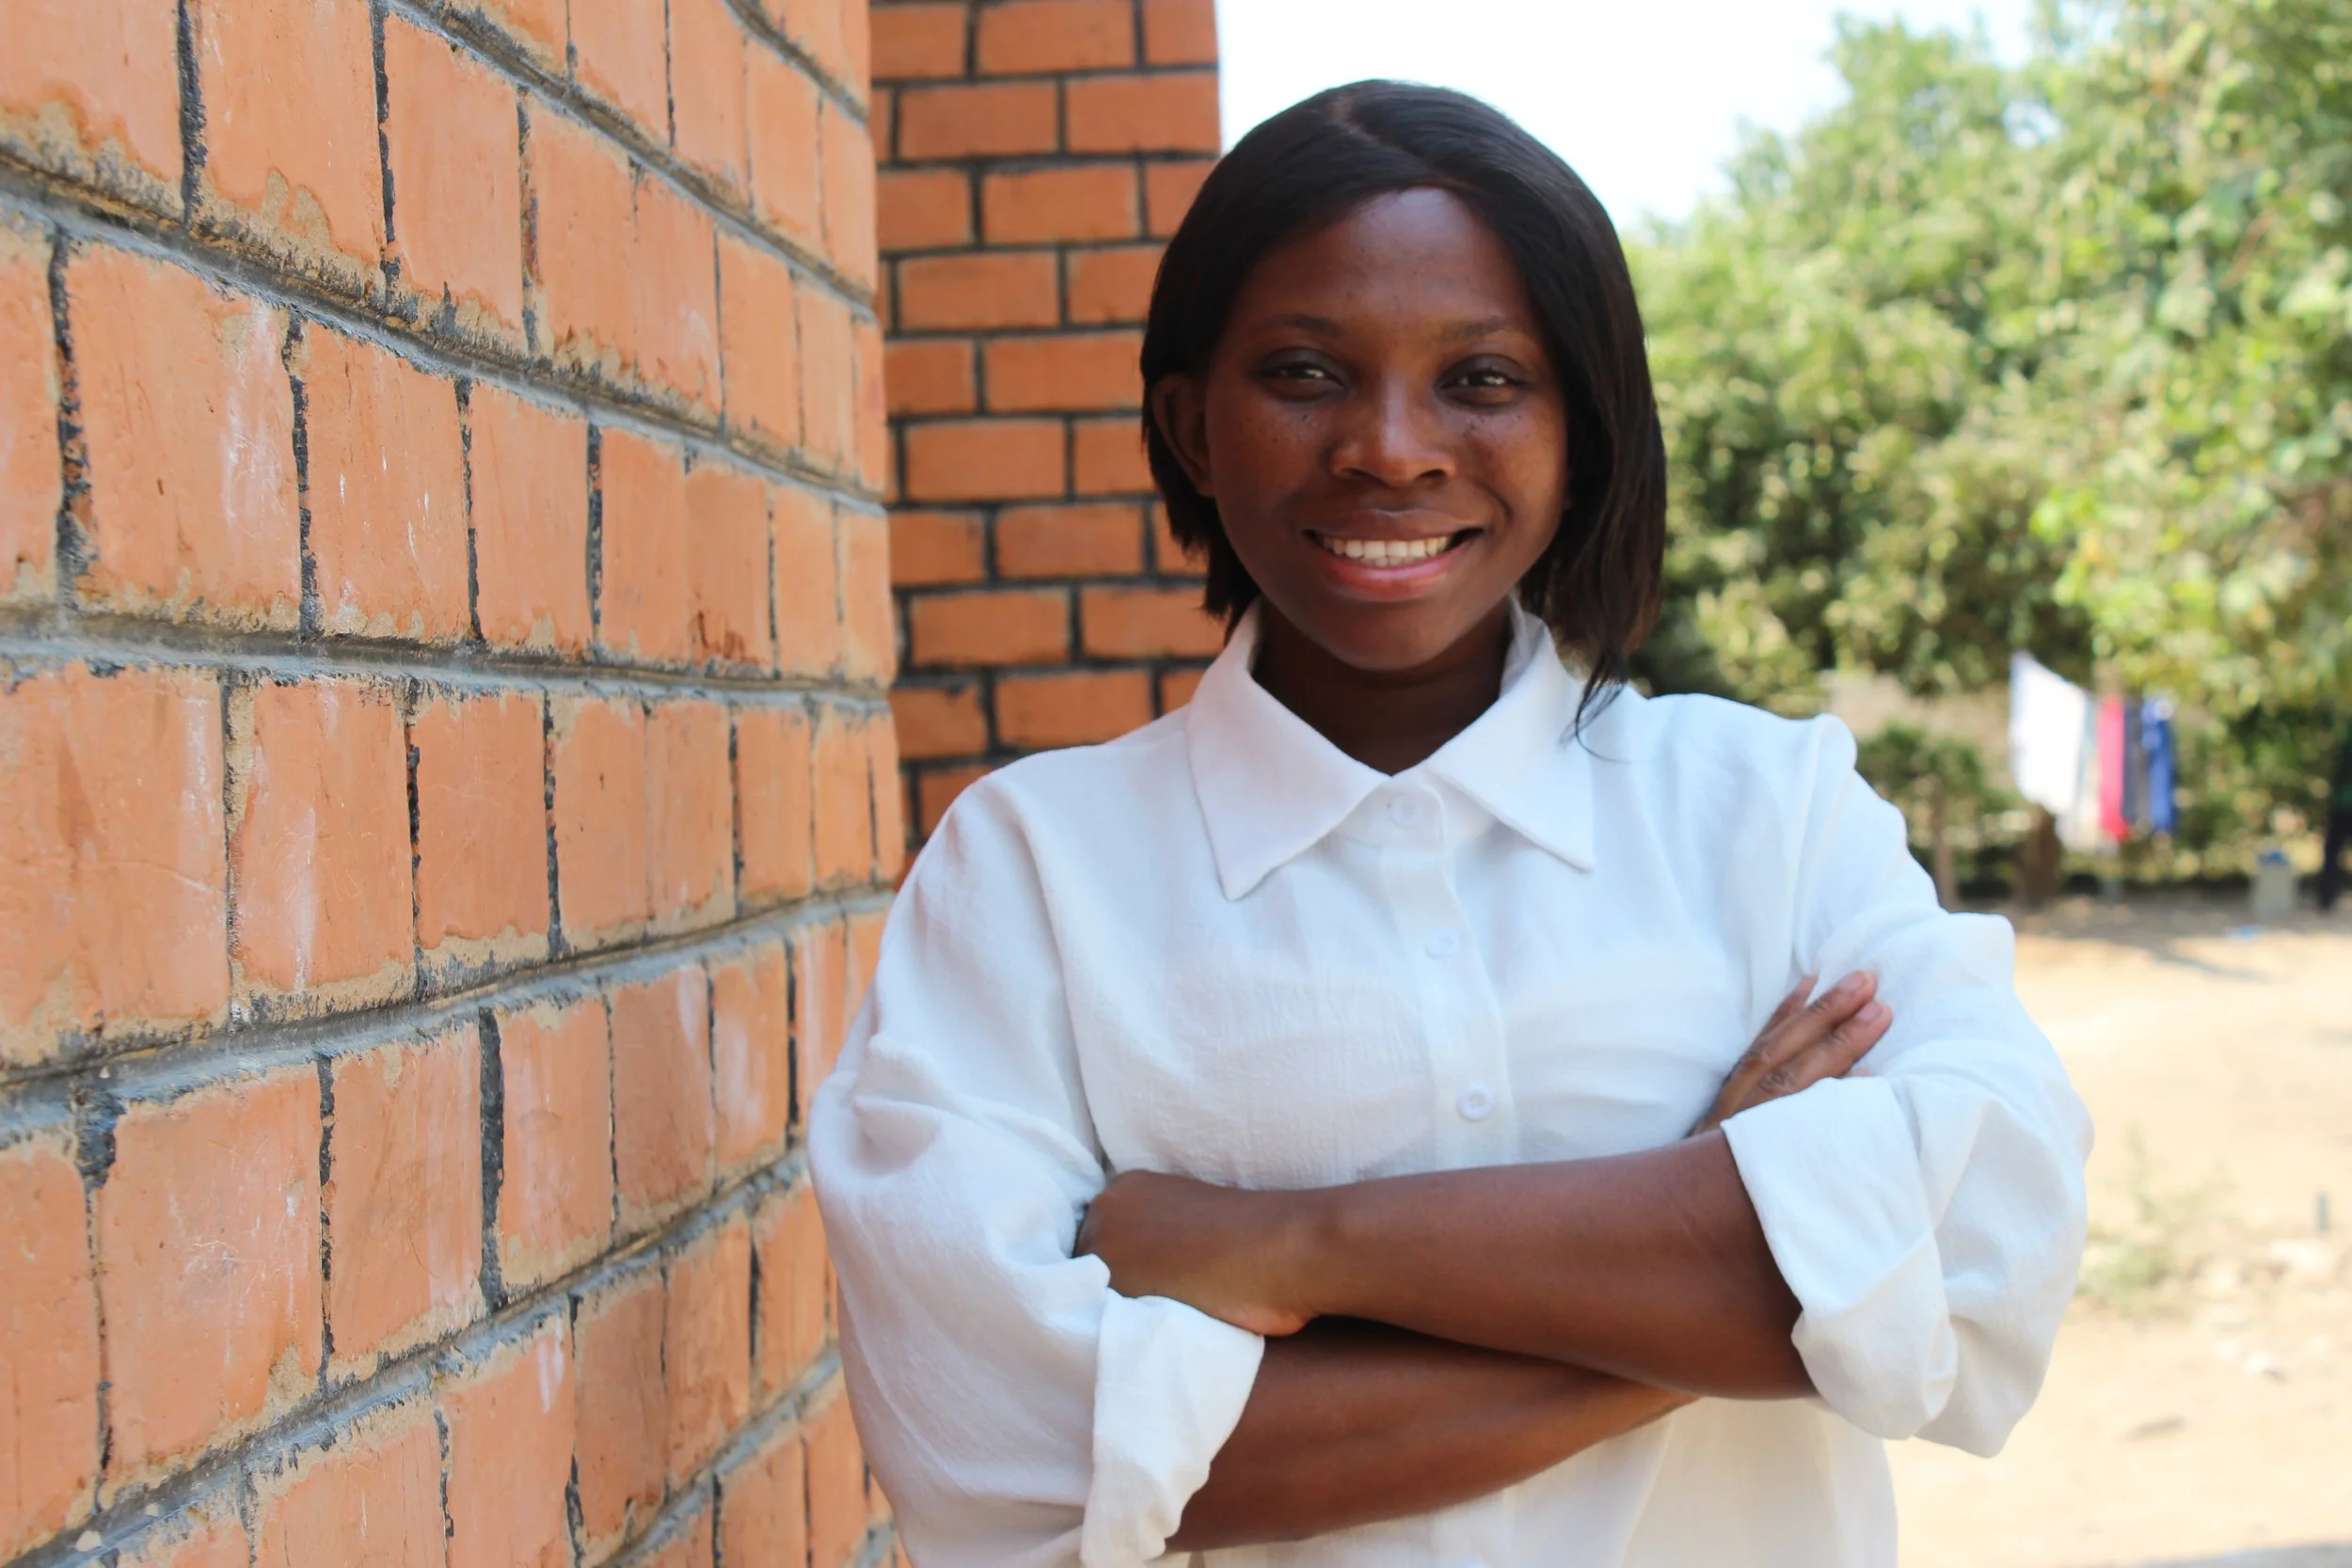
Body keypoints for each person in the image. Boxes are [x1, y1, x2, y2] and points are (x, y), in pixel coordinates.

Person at [810, 82, 2090, 1568]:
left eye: (1482, 378)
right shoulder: (1031, 869)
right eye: (1304, 371)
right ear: (1191, 424)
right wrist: (1737, 1251)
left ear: (1582, 427)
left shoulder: (1770, 808)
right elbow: (1003, 1448)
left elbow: (1987, 1247)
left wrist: (1286, 1242)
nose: (1394, 448)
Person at [2322, 721, 2352, 912]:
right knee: (2332, 851)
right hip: (2342, 803)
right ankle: (2327, 898)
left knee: (2332, 850)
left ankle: (2327, 898)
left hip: (2342, 803)